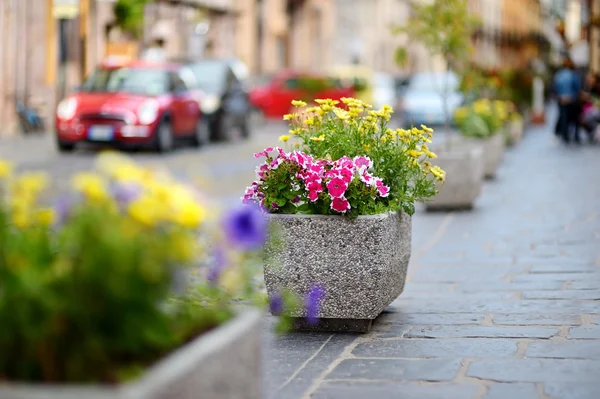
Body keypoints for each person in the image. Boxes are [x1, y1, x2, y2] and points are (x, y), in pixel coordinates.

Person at [553, 58, 582, 144]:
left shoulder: (559, 74)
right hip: (571, 99)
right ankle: (575, 136)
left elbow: (555, 87)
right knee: (574, 118)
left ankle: (565, 136)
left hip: (561, 99)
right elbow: (577, 88)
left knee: (563, 118)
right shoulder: (574, 75)